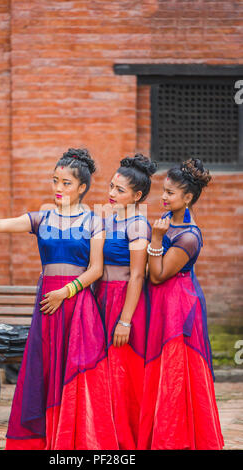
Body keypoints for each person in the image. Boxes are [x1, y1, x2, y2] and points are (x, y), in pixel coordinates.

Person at [0, 148, 118, 450]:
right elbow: (0, 225)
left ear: (82, 187)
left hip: (77, 305)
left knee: (76, 372)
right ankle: (43, 439)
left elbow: (96, 270)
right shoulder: (41, 218)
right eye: (55, 180)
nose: (58, 188)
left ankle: (76, 440)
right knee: (43, 372)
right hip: (47, 306)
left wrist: (65, 292)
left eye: (66, 183)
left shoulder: (95, 222)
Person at [137, 158, 224, 450]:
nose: (163, 196)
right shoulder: (167, 223)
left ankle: (175, 439)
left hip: (178, 308)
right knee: (160, 369)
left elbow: (159, 275)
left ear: (187, 198)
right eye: (163, 190)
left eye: (171, 193)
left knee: (176, 373)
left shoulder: (188, 236)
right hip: (160, 305)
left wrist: (155, 239)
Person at [93, 154, 157, 449]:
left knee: (123, 373)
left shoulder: (138, 225)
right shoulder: (108, 218)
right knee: (103, 371)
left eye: (120, 190)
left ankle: (125, 442)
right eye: (111, 186)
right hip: (103, 298)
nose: (111, 194)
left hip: (124, 301)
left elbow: (137, 276)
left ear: (138, 195)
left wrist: (125, 320)